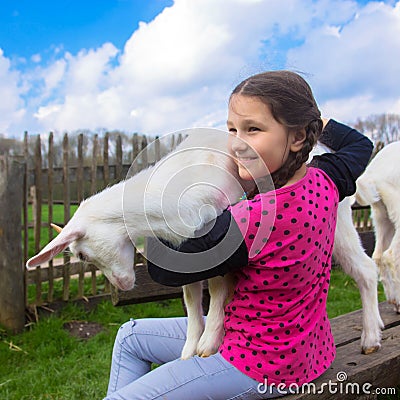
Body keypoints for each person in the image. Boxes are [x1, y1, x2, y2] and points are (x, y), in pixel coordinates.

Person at [104, 70, 373, 400]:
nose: (236, 144)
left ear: (298, 137)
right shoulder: (325, 178)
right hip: (308, 351)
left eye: (253, 129)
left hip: (257, 365)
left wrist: (162, 196)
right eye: (232, 129)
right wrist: (305, 116)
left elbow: (164, 268)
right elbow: (360, 144)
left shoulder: (254, 219)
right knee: (130, 337)